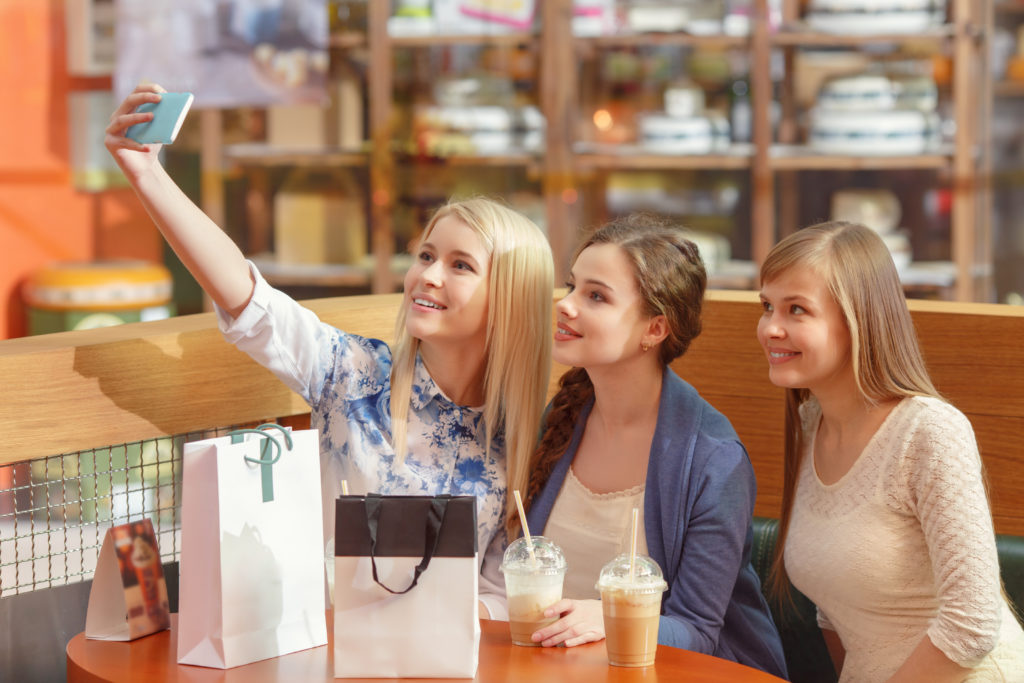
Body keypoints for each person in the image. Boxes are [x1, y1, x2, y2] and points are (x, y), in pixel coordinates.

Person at [105, 83, 555, 619]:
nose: (427, 276)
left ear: (511, 301)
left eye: (461, 265)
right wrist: (148, 174)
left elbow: (501, 597)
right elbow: (248, 298)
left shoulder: (524, 439)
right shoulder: (354, 373)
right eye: (427, 255)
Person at [520, 214, 788, 677]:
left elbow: (697, 631)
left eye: (596, 296)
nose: (566, 306)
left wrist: (602, 619)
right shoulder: (561, 419)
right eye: (572, 287)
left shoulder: (715, 460)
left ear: (655, 330)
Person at [758, 221, 1024, 682]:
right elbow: (833, 611)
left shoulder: (930, 430)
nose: (770, 329)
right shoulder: (811, 422)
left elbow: (973, 626)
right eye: (767, 306)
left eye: (796, 309)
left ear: (859, 318)